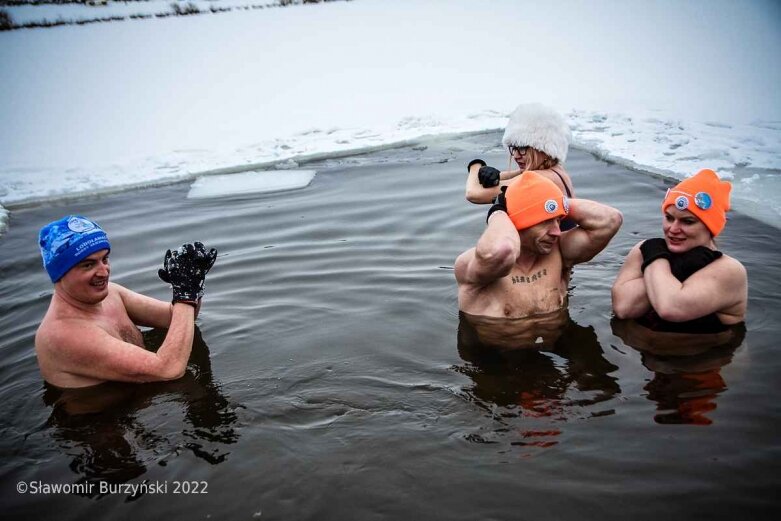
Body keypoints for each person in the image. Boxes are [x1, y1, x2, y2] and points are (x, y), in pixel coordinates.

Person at [35, 215, 218, 388]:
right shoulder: (63, 334)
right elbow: (168, 370)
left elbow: (177, 317)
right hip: (99, 418)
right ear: (60, 273)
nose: (104, 271)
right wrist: (185, 294)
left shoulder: (111, 293)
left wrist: (193, 284)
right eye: (88, 265)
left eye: (104, 259)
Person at [455, 171, 622, 318]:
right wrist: (498, 211)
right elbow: (501, 251)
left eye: (558, 220)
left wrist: (554, 202)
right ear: (520, 223)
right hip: (497, 352)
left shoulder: (560, 251)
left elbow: (610, 220)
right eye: (546, 222)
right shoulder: (478, 266)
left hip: (556, 348)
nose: (557, 232)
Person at [611, 169, 747, 332]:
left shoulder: (729, 270)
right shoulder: (646, 251)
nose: (673, 229)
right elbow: (624, 308)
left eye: (687, 222)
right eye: (669, 218)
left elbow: (669, 307)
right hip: (640, 354)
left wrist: (656, 260)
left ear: (710, 227)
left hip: (707, 355)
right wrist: (673, 263)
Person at [465, 103, 577, 230]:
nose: (516, 156)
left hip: (555, 248)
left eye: (523, 149)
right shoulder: (556, 170)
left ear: (543, 148)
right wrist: (488, 174)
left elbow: (473, 194)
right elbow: (511, 175)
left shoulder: (541, 178)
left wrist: (476, 165)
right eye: (514, 148)